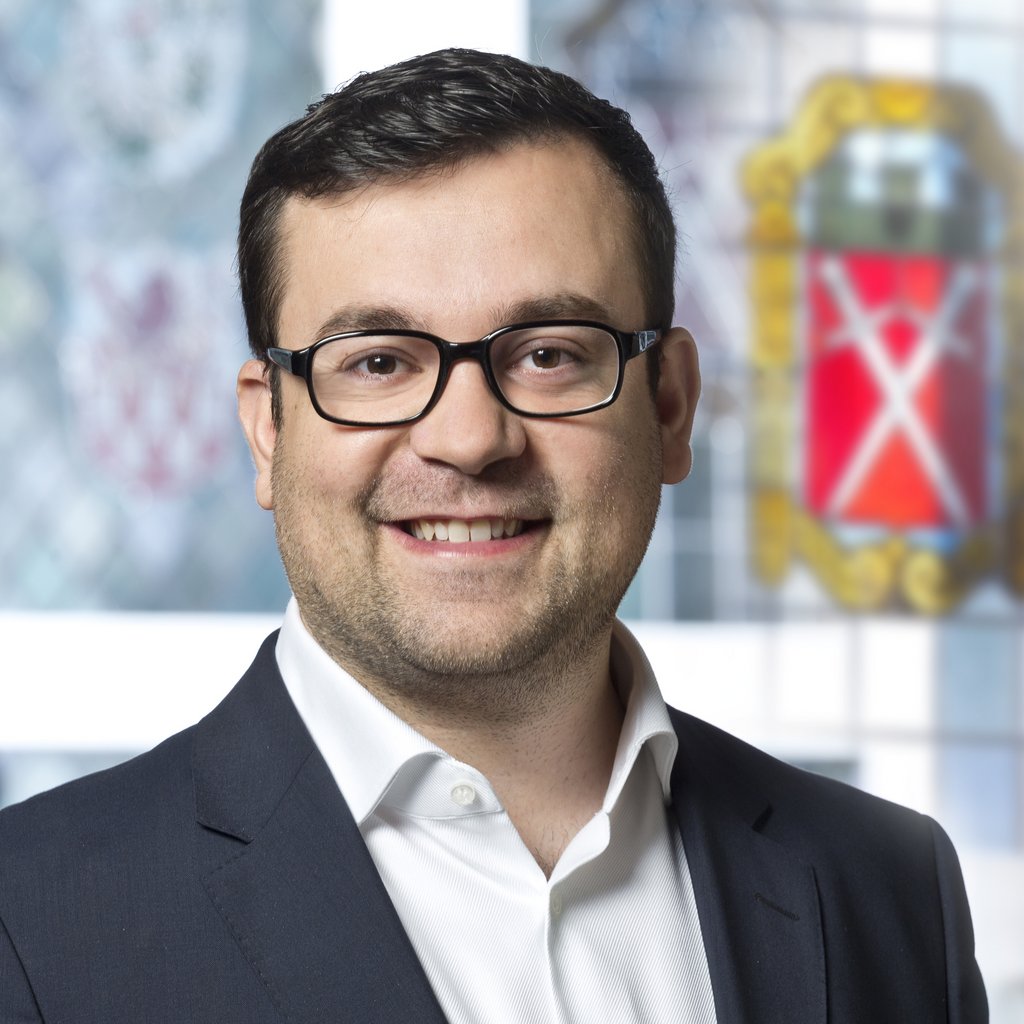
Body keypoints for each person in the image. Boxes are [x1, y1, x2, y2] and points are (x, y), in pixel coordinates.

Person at [0, 48, 986, 1023]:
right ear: (268, 430)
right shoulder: (31, 928)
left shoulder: (890, 892)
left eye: (548, 354)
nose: (470, 439)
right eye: (378, 361)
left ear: (671, 406)